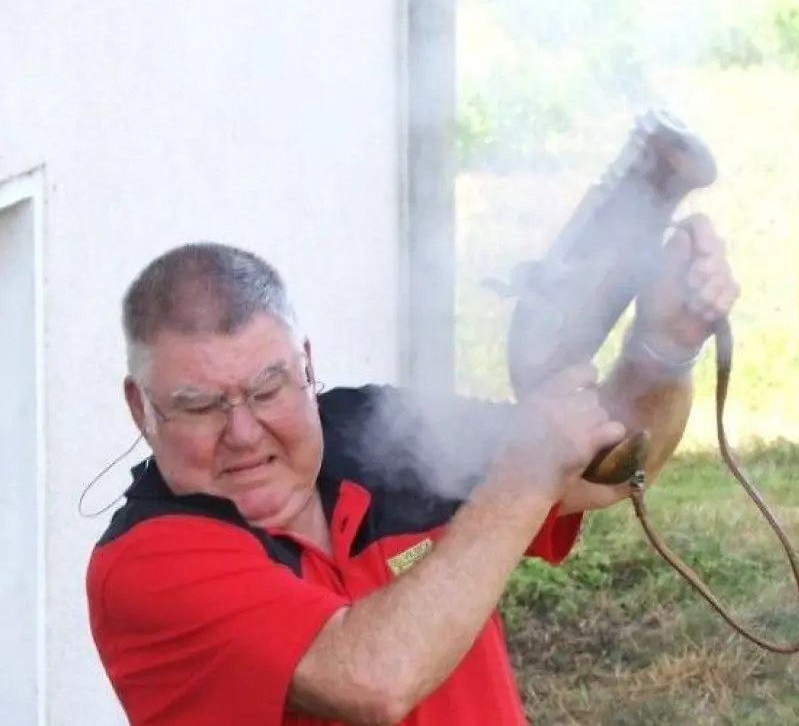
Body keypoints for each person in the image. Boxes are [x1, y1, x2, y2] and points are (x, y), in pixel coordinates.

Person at [86, 216, 740, 726]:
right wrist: (519, 480)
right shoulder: (146, 564)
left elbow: (607, 468)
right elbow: (374, 677)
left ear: (306, 363)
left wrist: (664, 346)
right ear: (140, 407)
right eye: (199, 405)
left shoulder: (378, 430)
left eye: (267, 390)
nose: (244, 433)